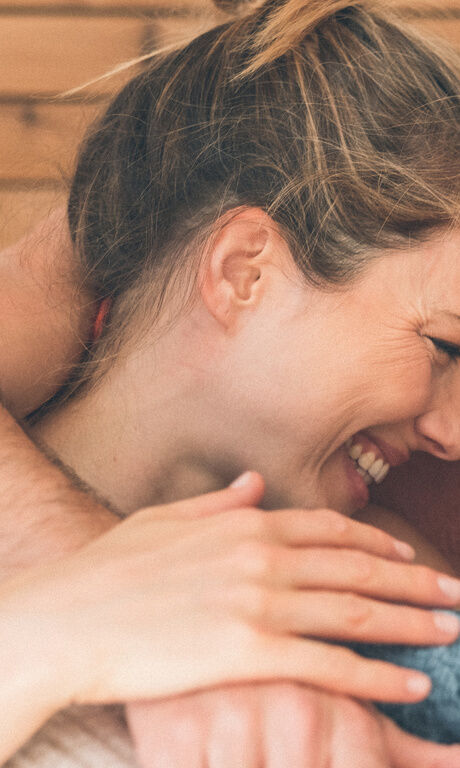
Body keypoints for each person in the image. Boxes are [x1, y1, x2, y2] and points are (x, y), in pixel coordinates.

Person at [1, 0, 460, 764]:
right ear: (244, 270)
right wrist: (44, 642)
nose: (453, 434)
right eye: (446, 347)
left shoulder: (406, 600)